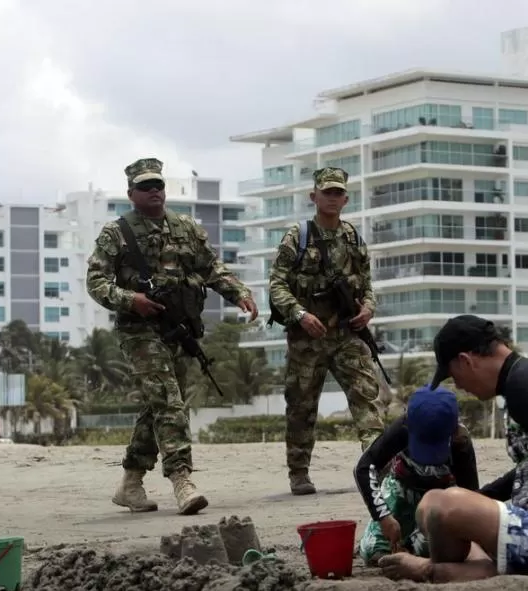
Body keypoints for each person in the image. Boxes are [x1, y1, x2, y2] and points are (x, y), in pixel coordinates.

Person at [378, 315, 528, 582]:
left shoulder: (523, 382)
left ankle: (433, 570)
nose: (459, 386)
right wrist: (481, 497)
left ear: (465, 361)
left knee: (441, 504)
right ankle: (469, 569)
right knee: (433, 504)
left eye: (454, 376)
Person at [86, 157, 258, 515]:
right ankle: (182, 478)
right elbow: (96, 282)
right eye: (145, 187)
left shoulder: (186, 229)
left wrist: (238, 292)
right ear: (131, 193)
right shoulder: (116, 233)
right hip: (139, 331)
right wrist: (130, 299)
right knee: (168, 400)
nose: (154, 192)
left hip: (177, 329)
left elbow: (211, 268)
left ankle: (131, 483)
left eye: (158, 186)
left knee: (160, 404)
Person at [268, 167, 384, 496]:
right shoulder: (298, 236)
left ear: (346, 198)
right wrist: (299, 313)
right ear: (313, 197)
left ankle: (376, 465)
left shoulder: (353, 238)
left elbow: (368, 285)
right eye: (327, 192)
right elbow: (277, 284)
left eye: (338, 193)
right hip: (308, 337)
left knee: (367, 398)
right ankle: (299, 472)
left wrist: (368, 309)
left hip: (347, 334)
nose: (333, 198)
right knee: (301, 406)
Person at [353, 385, 481, 567]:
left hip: (442, 499)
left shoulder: (460, 442)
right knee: (374, 551)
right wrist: (383, 517)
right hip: (402, 489)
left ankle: (413, 548)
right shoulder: (401, 429)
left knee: (436, 549)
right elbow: (365, 468)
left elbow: (470, 496)